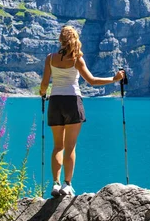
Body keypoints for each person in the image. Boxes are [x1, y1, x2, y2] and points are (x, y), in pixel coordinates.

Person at [39, 25, 125, 197]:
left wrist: (43, 94)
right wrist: (114, 79)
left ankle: (55, 184)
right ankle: (67, 184)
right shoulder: (77, 58)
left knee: (58, 146)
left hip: (55, 102)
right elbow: (92, 81)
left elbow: (44, 84)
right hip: (72, 101)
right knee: (70, 147)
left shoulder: (50, 58)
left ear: (60, 40)